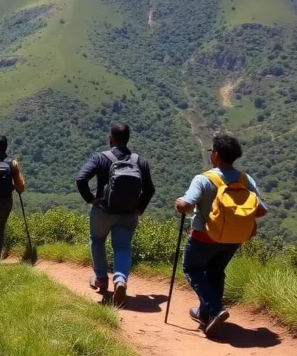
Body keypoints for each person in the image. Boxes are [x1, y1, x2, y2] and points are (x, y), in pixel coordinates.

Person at [175, 133, 267, 336]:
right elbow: (261, 211)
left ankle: (216, 310)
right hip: (233, 239)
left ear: (215, 155)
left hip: (203, 236)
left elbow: (186, 205)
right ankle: (204, 313)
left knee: (192, 269)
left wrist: (179, 203)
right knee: (216, 271)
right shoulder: (245, 180)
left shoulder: (203, 179)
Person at [76, 123, 155, 307]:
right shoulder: (139, 161)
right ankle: (120, 280)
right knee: (122, 247)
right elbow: (150, 189)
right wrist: (140, 208)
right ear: (128, 138)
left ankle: (101, 278)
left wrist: (90, 199)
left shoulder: (100, 158)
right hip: (128, 214)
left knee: (97, 240)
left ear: (110, 137)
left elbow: (81, 179)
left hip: (103, 210)